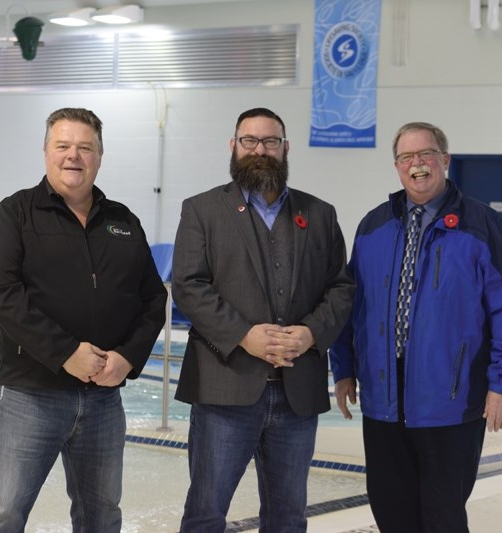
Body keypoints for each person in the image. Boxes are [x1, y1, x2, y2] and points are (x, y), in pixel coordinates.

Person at [330, 122, 502, 533]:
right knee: (391, 512)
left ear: (444, 160)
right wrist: (344, 368)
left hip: (451, 403)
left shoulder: (481, 227)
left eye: (426, 154)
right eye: (407, 157)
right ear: (396, 167)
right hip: (384, 403)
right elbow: (351, 305)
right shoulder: (374, 227)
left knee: (442, 517)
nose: (417, 164)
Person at [0, 107, 167, 532]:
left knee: (101, 517)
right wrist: (65, 353)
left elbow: (153, 298)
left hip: (102, 400)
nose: (73, 156)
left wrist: (128, 358)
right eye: (62, 146)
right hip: (30, 396)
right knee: (4, 515)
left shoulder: (123, 222)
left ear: (99, 156)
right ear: (46, 152)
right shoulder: (15, 214)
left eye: (85, 147)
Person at [172, 107, 355, 532]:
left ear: (285, 148)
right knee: (206, 513)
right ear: (233, 147)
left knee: (288, 518)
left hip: (297, 395)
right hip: (225, 392)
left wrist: (311, 334)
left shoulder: (320, 215)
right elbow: (189, 286)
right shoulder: (202, 210)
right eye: (249, 141)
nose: (260, 150)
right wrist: (243, 336)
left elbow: (341, 288)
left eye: (270, 142)